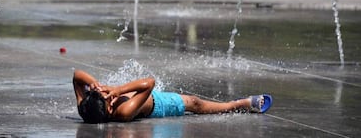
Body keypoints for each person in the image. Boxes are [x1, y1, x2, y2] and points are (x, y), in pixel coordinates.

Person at [73, 69, 273, 123]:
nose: (109, 97)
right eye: (108, 101)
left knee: (194, 102)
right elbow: (149, 84)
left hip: (142, 95)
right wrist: (117, 90)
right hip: (158, 105)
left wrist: (96, 85)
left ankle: (237, 104)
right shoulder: (123, 112)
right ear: (109, 111)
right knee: (194, 103)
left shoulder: (86, 108)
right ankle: (238, 105)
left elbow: (76, 76)